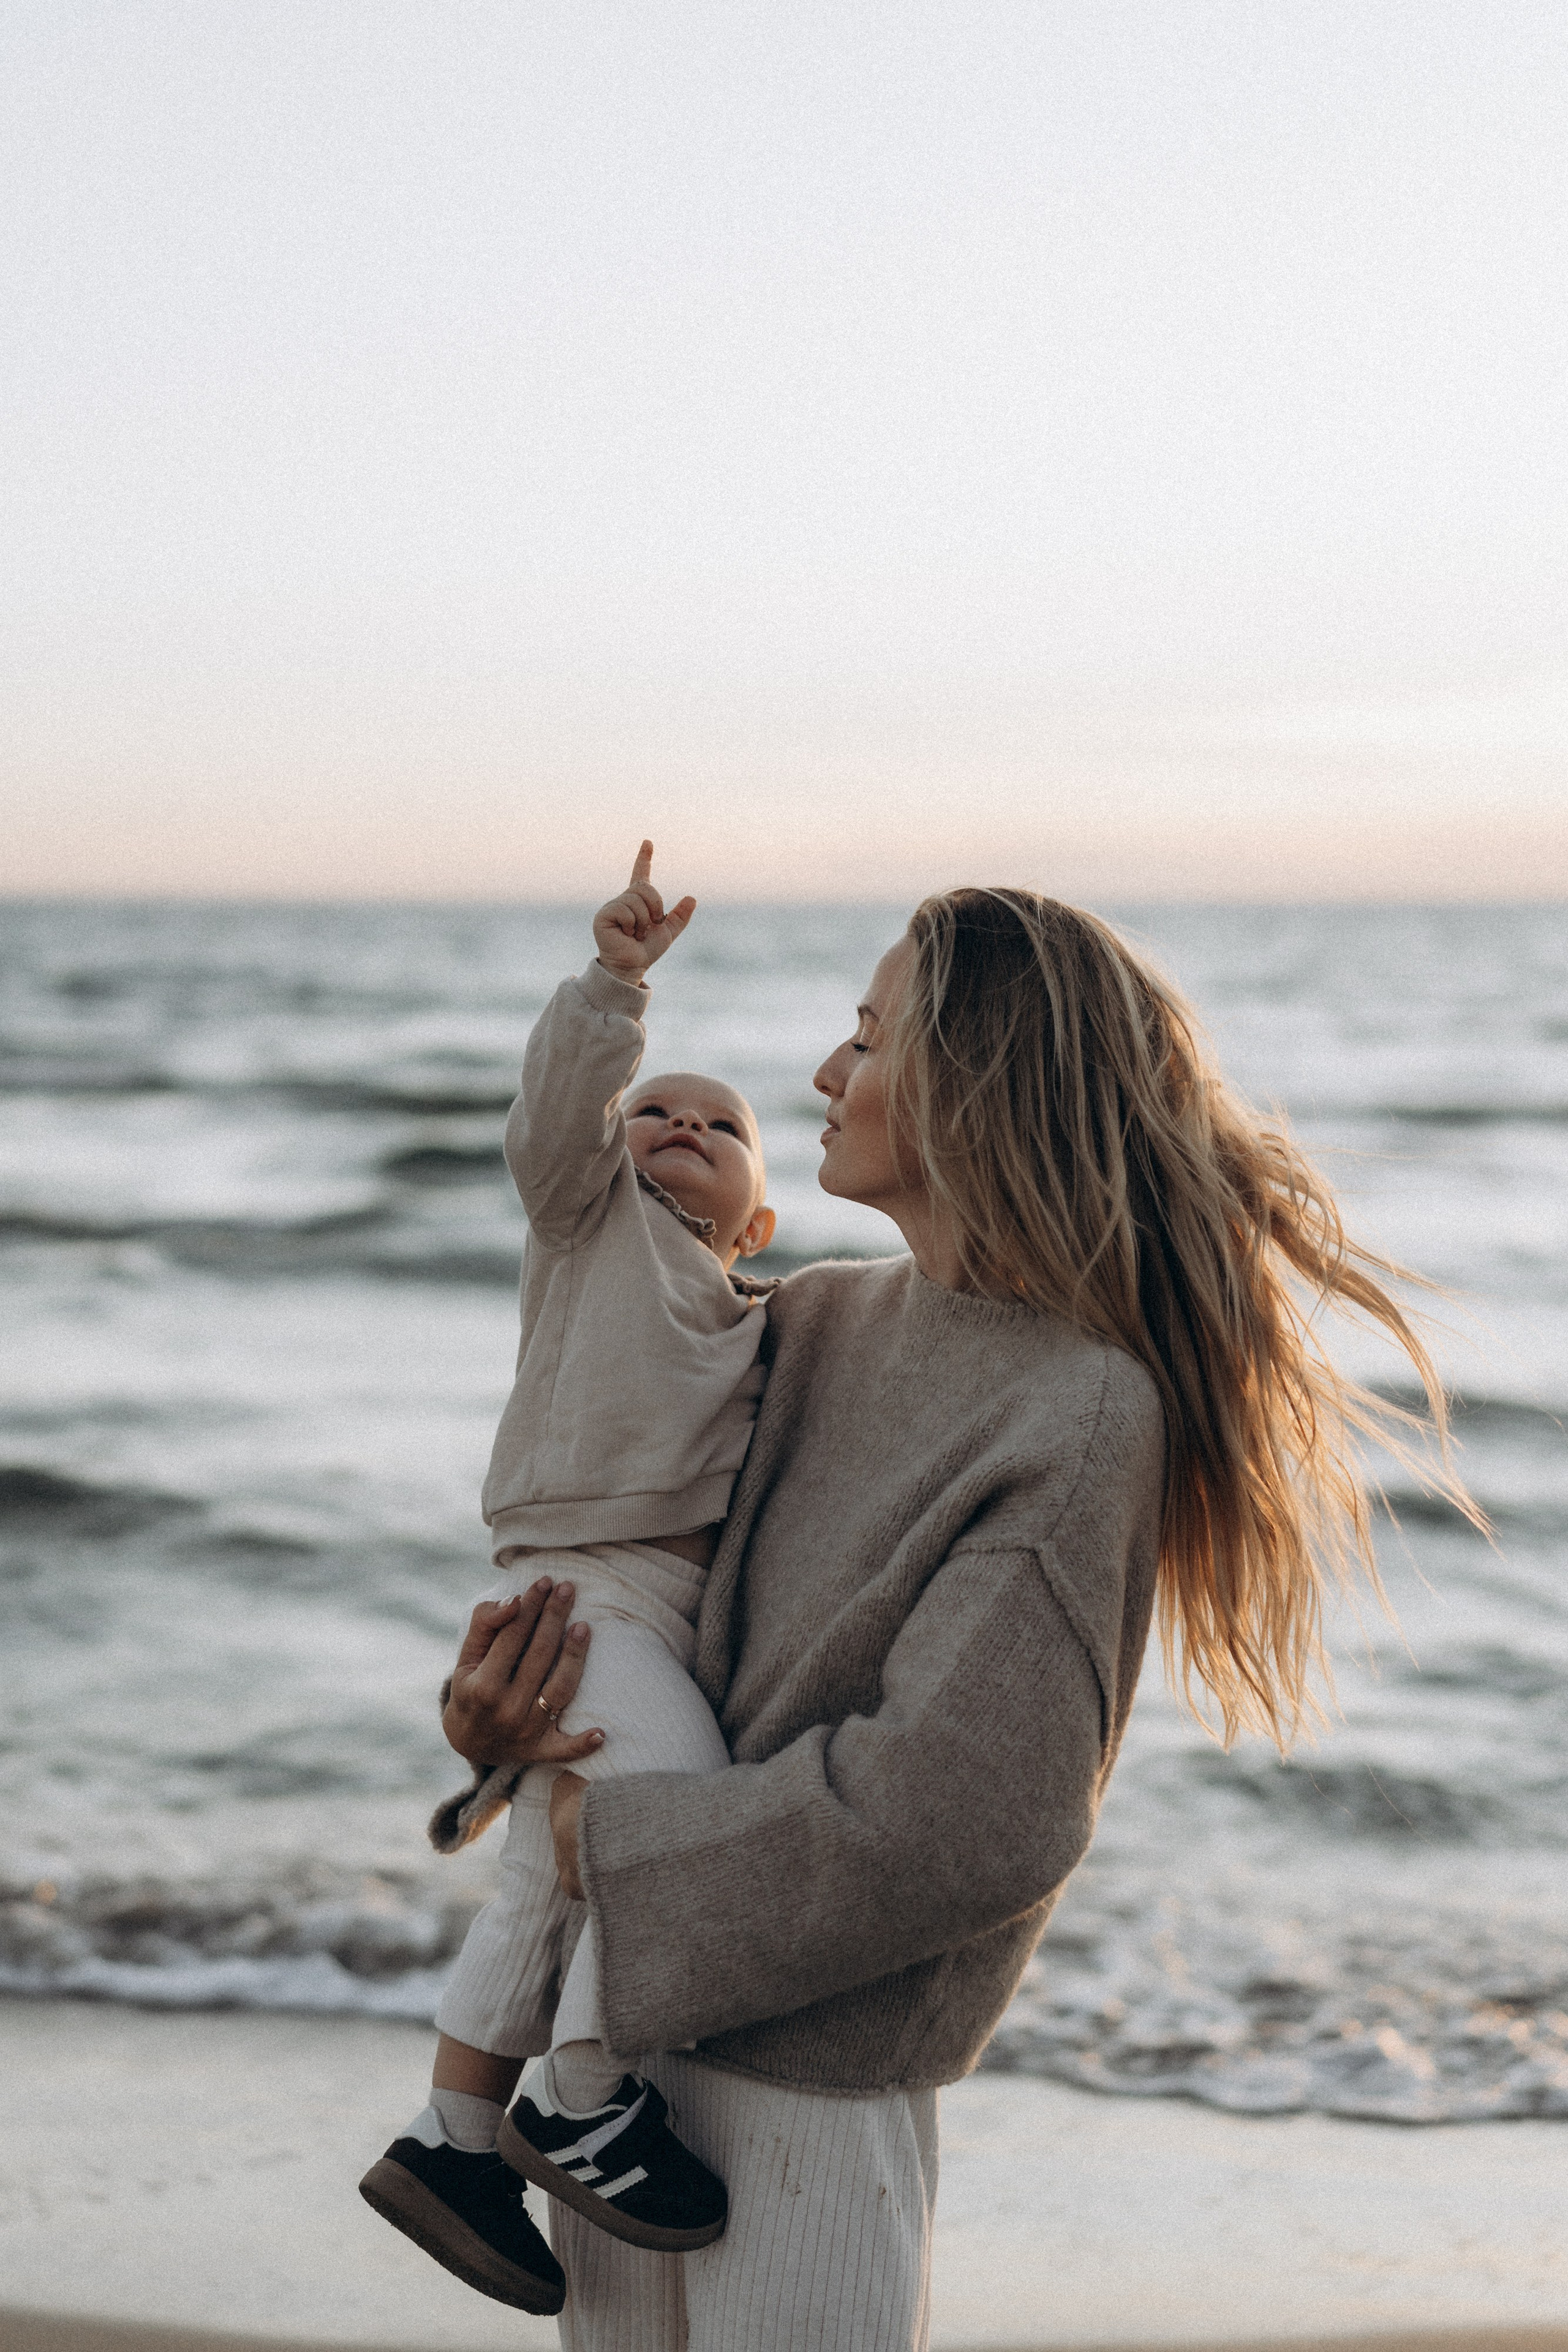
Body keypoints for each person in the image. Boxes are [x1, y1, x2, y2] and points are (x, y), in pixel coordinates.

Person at [440, 882, 1475, 2352]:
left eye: (867, 1040)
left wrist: (602, 1849)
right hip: (616, 2078)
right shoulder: (810, 1321)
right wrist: (506, 1727)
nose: (823, 1073)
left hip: (814, 2080)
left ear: (973, 1084)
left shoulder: (1079, 1409)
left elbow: (968, 1819)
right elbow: (650, 1608)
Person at [360, 844, 778, 2318]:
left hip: (653, 1614)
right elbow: (557, 1116)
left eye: (719, 1124)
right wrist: (613, 989)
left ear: (761, 1219)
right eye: (654, 1111)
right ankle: (583, 2093)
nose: (679, 1124)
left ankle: (450, 2140)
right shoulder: (589, 1218)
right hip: (577, 1591)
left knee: (546, 1882)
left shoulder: (763, 1312)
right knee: (676, 1817)